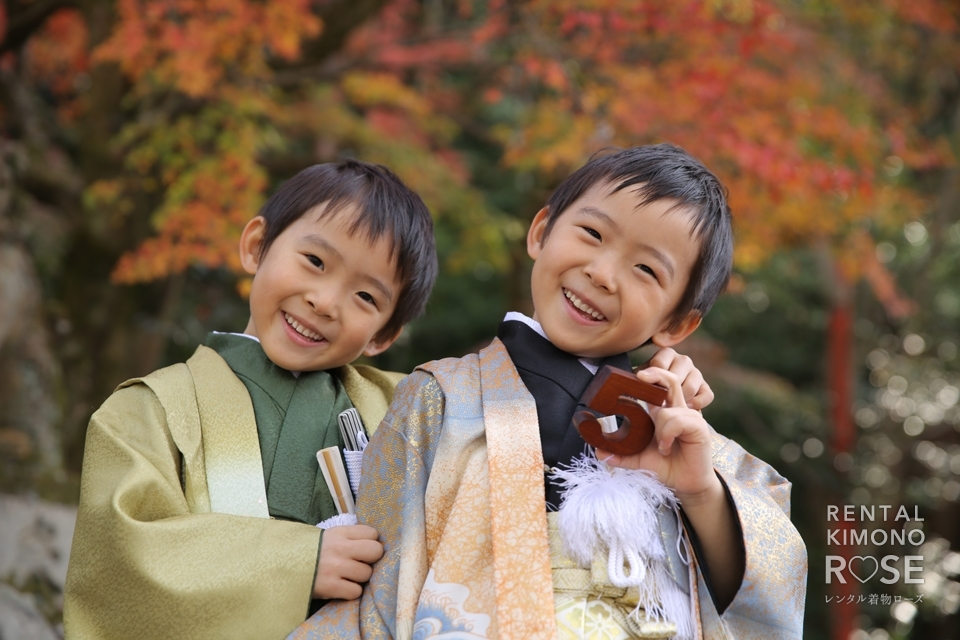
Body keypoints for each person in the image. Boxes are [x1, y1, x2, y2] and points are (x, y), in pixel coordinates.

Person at [291, 144, 807, 639]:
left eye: (646, 269)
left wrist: (699, 492)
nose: (602, 274)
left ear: (677, 322)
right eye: (591, 233)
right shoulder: (439, 397)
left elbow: (775, 580)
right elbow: (380, 592)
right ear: (540, 231)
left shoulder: (682, 439)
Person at [62, 159, 438, 639]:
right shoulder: (147, 410)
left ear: (383, 335)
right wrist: (297, 562)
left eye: (365, 297)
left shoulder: (408, 410)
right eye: (315, 262)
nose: (324, 302)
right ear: (256, 246)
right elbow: (118, 566)